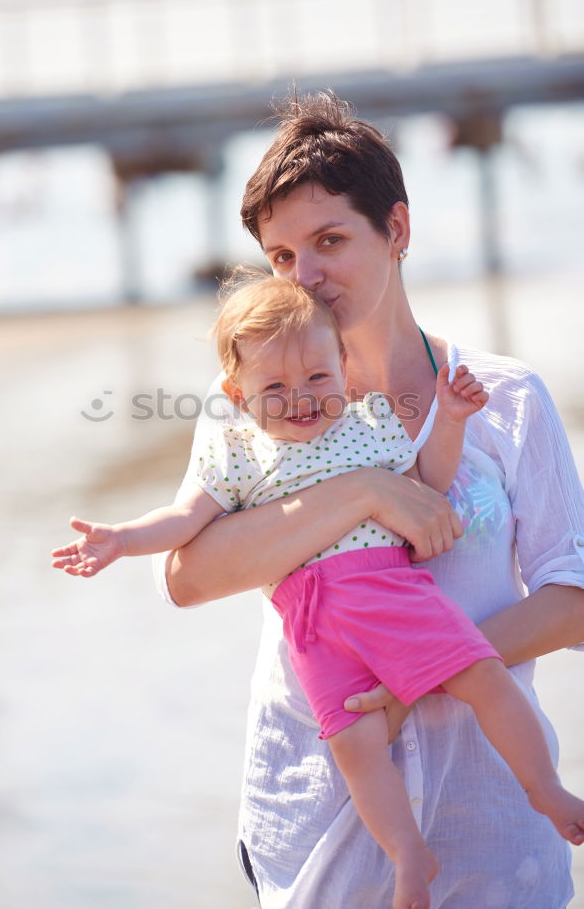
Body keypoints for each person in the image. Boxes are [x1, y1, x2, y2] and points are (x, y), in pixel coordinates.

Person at [150, 93, 584, 908]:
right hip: (319, 812)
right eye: (280, 256)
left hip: (486, 813)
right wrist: (360, 492)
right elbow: (186, 577)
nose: (304, 275)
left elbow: (573, 597)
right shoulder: (255, 405)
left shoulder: (504, 397)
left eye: (328, 240)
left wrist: (423, 671)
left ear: (397, 231)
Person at [53, 271, 584, 909]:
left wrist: (449, 420)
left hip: (392, 595)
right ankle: (407, 853)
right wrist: (120, 538)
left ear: (342, 369)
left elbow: (428, 484)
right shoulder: (239, 451)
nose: (300, 398)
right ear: (237, 393)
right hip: (315, 624)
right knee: (357, 749)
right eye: (274, 387)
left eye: (317, 379)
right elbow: (186, 521)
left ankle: (543, 788)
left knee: (483, 677)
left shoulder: (367, 425)